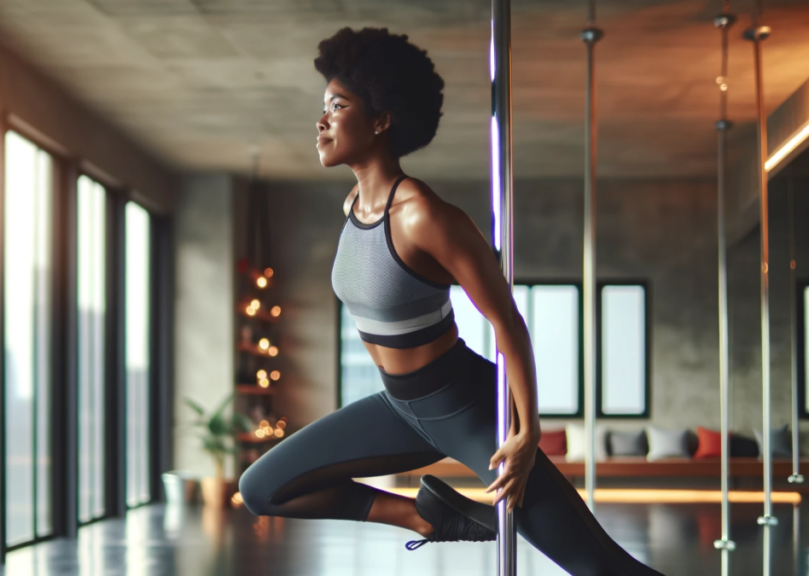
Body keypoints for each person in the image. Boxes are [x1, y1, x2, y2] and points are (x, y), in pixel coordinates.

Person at [238, 26, 665, 576]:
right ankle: (427, 517)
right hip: (396, 406)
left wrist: (527, 432)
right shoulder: (351, 205)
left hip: (464, 404)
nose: (321, 120)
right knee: (262, 487)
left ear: (381, 118)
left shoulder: (424, 216)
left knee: (597, 565)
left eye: (337, 105)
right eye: (323, 106)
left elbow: (507, 320)